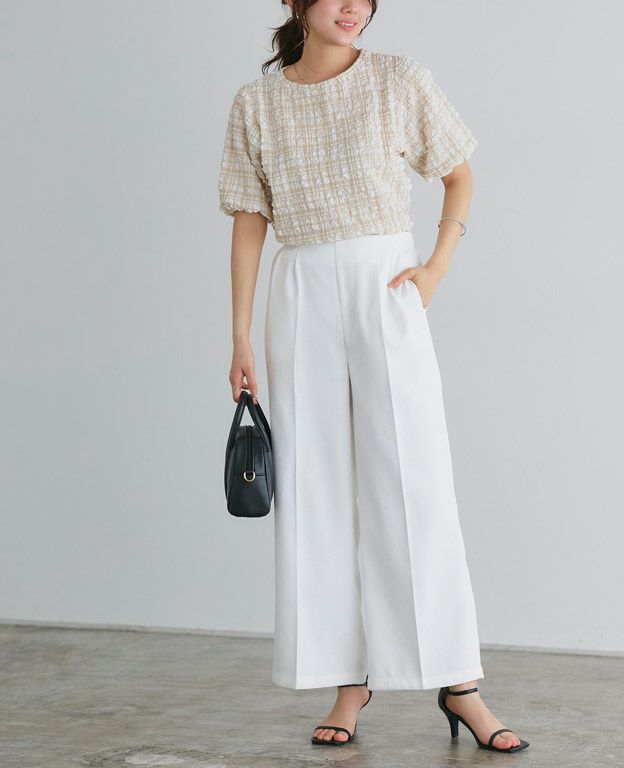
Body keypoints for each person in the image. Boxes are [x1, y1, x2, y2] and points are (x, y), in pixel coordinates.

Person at [218, 0, 529, 754]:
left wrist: (436, 268)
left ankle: (458, 682)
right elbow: (250, 220)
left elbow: (458, 175)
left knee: (415, 481)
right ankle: (347, 679)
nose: (353, 6)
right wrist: (239, 333)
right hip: (299, 294)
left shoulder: (398, 79)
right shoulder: (257, 103)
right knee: (318, 490)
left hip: (385, 283)